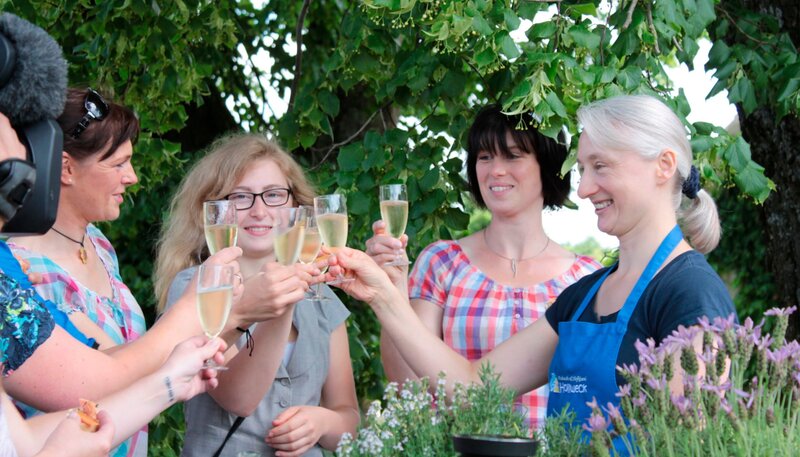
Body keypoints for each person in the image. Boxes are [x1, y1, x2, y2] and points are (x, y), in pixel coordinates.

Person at [330, 95, 737, 444]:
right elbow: (474, 387)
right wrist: (384, 297)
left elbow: (690, 440)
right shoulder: (584, 296)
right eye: (583, 169)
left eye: (601, 166)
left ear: (664, 165)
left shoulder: (689, 292)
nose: (583, 188)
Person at [2, 88, 280, 457]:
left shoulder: (99, 245)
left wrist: (222, 328)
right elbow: (92, 383)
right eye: (117, 164)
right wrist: (216, 311)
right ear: (66, 168)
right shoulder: (18, 268)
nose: (131, 177)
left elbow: (134, 363)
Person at [367, 104, 600, 429]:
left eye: (513, 155)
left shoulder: (587, 279)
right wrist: (391, 294)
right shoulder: (442, 263)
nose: (495, 171)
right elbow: (408, 386)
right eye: (485, 157)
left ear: (547, 165)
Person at [155, 133, 359, 457]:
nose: (260, 211)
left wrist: (322, 422)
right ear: (213, 211)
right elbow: (239, 398)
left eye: (274, 195)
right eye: (240, 197)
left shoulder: (322, 296)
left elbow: (349, 417)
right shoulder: (195, 287)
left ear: (294, 204)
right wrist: (284, 296)